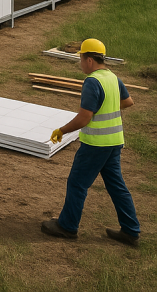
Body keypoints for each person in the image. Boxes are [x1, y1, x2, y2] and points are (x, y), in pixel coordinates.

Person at [41, 39, 140, 246]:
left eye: (81, 59)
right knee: (117, 186)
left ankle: (67, 227)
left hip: (96, 145)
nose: (80, 64)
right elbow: (128, 102)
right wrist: (108, 104)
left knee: (77, 183)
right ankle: (131, 231)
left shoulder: (92, 82)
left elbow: (84, 117)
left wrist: (62, 130)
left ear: (89, 60)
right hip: (114, 143)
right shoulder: (113, 78)